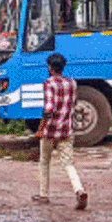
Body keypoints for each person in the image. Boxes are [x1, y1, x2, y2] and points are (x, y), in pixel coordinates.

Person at [34, 51, 88, 210]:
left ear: (50, 68)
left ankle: (43, 194)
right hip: (66, 130)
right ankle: (79, 189)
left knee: (44, 162)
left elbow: (48, 109)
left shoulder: (49, 83)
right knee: (68, 164)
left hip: (50, 131)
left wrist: (40, 129)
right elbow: (74, 103)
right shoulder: (72, 83)